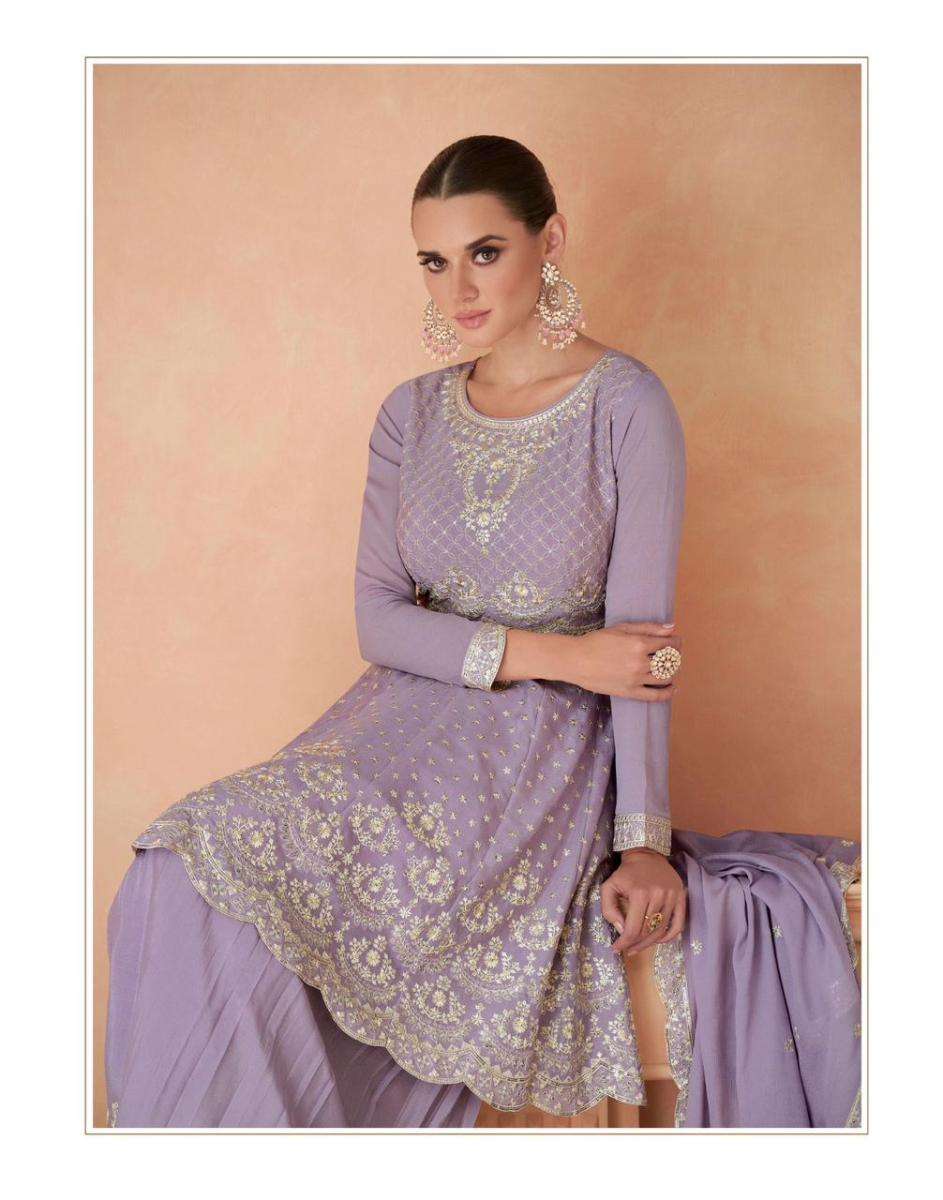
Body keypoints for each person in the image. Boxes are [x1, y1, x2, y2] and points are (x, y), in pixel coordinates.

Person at [105, 135, 860, 1130]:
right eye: (433, 260)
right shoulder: (408, 416)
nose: (456, 288)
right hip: (386, 727)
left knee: (217, 859)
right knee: (185, 860)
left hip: (535, 756)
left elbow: (639, 657)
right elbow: (378, 620)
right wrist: (563, 653)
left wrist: (641, 844)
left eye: (485, 253)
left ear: (550, 240)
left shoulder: (626, 407)